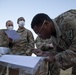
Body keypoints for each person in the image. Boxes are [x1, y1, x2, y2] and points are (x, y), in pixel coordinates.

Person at [31, 9, 76, 75]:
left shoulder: (68, 21)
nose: (39, 36)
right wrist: (44, 53)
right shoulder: (54, 38)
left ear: (46, 24)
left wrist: (54, 58)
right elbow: (60, 52)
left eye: (39, 32)